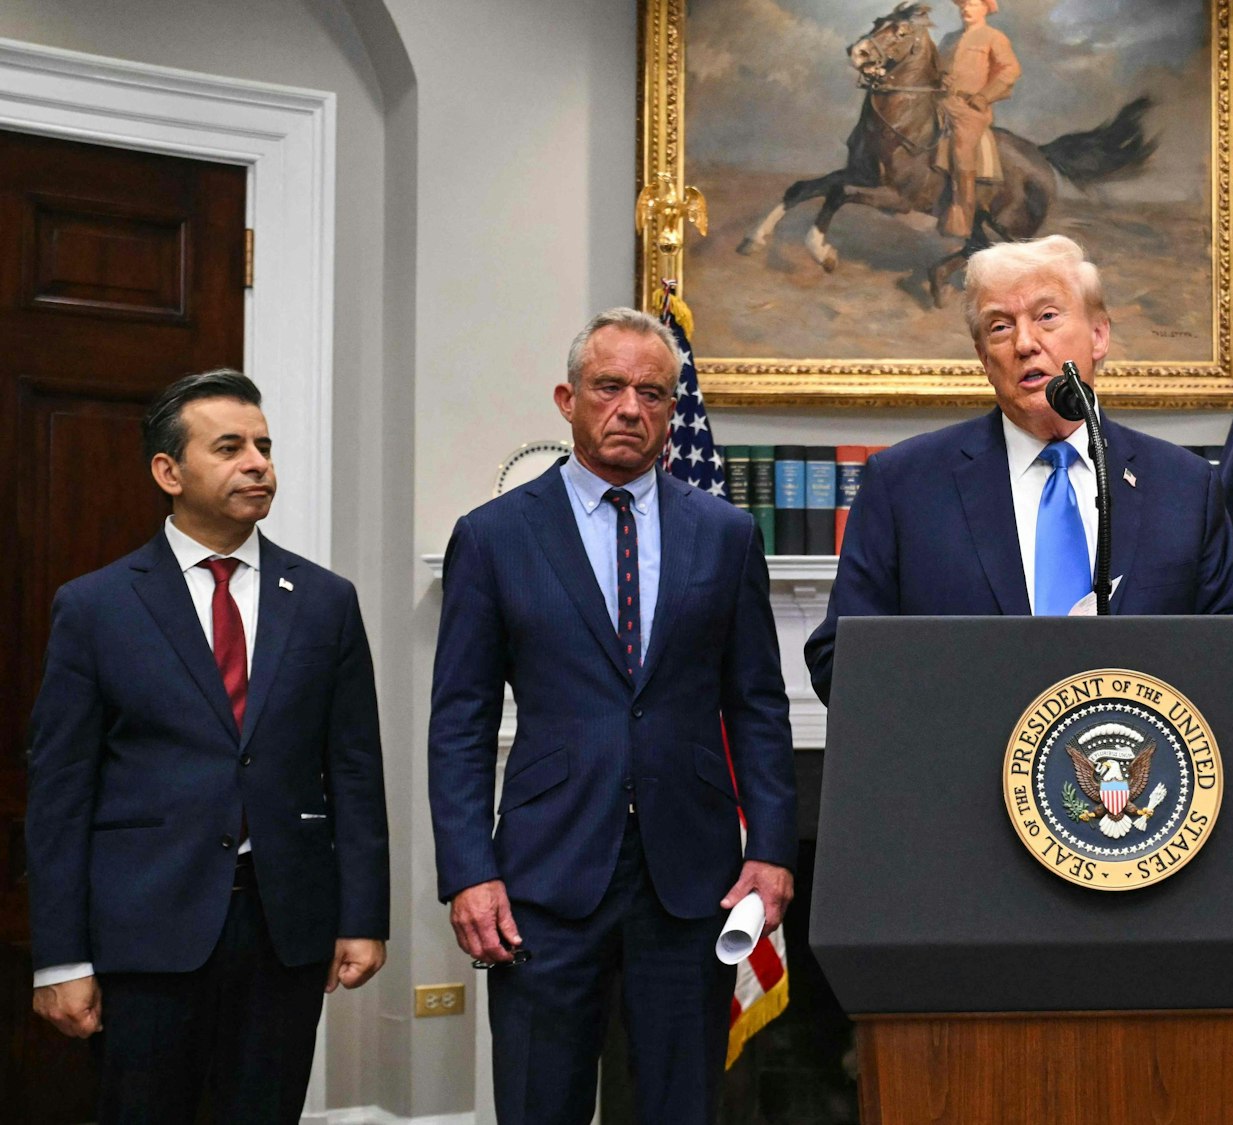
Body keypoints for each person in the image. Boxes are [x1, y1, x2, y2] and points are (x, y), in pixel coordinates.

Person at [429, 308, 796, 1125]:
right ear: (568, 399)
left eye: (652, 392)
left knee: (681, 1102)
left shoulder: (728, 534)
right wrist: (468, 868)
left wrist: (771, 847)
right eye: (609, 387)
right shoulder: (493, 538)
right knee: (539, 1100)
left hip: (691, 873)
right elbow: (459, 718)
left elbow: (758, 705)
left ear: (672, 409)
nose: (630, 407)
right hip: (544, 874)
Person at [26, 369, 390, 1124]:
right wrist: (60, 958)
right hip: (145, 933)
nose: (257, 462)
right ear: (168, 471)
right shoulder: (95, 607)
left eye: (263, 445)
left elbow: (354, 770)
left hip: (284, 929)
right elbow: (61, 790)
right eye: (229, 447)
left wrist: (363, 914)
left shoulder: (325, 601)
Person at [804, 234, 1233, 704]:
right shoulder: (904, 487)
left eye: (1047, 317)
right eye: (999, 328)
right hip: (961, 765)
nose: (1024, 343)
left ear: (1099, 335)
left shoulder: (1183, 485)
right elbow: (839, 659)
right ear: (983, 358)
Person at [937, 0, 1020, 238]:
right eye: (962, 5)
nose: (965, 9)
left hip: (969, 108)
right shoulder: (948, 39)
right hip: (941, 101)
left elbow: (1010, 70)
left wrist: (985, 96)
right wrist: (940, 78)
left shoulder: (994, 37)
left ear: (986, 8)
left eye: (972, 4)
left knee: (962, 148)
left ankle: (962, 215)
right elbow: (938, 70)